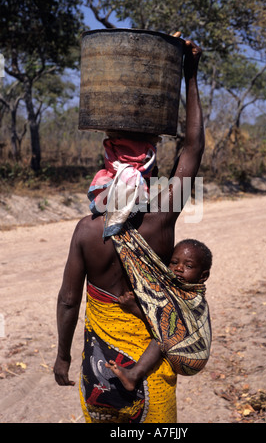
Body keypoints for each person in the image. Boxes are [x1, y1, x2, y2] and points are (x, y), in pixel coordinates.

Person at [54, 39, 207, 423]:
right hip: (149, 372)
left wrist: (63, 355)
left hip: (100, 373)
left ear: (106, 160)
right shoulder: (160, 219)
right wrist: (190, 75)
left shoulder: (86, 232)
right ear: (150, 169)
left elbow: (69, 302)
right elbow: (192, 150)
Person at [105, 239, 212, 392]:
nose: (179, 268)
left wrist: (133, 307)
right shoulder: (177, 290)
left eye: (188, 266)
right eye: (174, 262)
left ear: (203, 276)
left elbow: (161, 320)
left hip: (192, 357)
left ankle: (133, 375)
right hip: (184, 351)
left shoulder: (192, 299)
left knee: (162, 336)